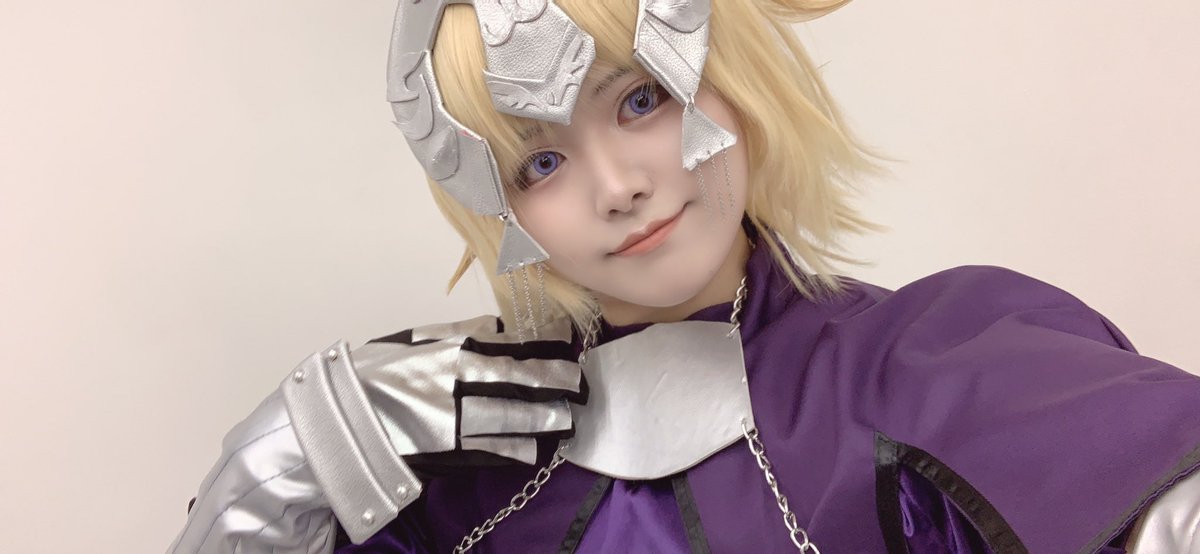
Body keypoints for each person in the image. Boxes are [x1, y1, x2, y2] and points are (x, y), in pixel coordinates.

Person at [169, 0, 1200, 552]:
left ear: (733, 76)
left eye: (640, 101)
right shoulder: (457, 475)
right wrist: (283, 463)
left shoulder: (935, 369)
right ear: (497, 208)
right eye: (539, 163)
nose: (618, 186)